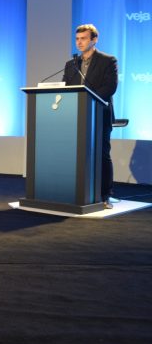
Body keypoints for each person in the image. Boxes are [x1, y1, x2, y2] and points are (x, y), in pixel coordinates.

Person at [62, 23, 118, 209]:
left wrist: (88, 100)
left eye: (83, 38)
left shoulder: (108, 61)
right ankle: (76, 193)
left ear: (94, 40)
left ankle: (105, 195)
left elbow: (110, 87)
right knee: (76, 155)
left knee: (102, 154)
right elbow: (65, 87)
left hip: (99, 114)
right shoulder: (71, 64)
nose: (79, 42)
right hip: (76, 116)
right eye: (77, 39)